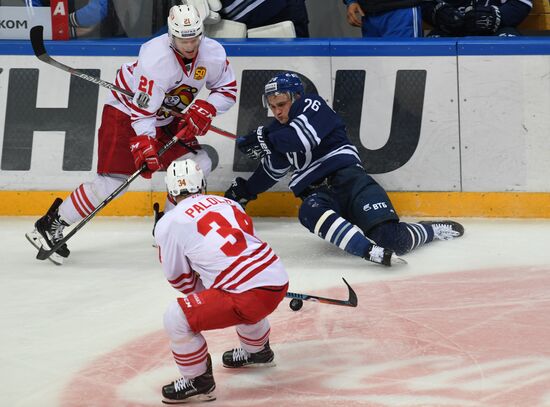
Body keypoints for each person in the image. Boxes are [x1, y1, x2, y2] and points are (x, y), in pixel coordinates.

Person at [25, 4, 237, 265]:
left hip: (167, 116)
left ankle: (169, 228)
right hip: (127, 115)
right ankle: (52, 223)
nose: (190, 44)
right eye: (184, 39)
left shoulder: (213, 54)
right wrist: (145, 144)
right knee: (113, 182)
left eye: (194, 37)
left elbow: (227, 90)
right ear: (172, 35)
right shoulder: (155, 58)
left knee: (197, 164)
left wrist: (208, 106)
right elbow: (142, 113)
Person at [224, 72, 464, 267]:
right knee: (309, 210)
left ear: (297, 97)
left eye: (282, 104)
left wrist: (263, 136)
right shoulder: (278, 131)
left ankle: (429, 230)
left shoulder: (311, 105)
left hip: (352, 183)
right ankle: (369, 251)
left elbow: (298, 140)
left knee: (394, 241)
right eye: (273, 106)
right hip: (321, 196)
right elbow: (272, 170)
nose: (277, 112)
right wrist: (244, 191)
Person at [155, 159, 289, 403]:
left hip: (247, 296)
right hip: (276, 277)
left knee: (176, 317)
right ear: (202, 185)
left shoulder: (168, 223)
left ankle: (198, 381)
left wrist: (205, 289)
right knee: (236, 289)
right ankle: (257, 351)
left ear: (170, 193)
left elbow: (180, 278)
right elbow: (248, 243)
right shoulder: (230, 203)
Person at [421, 0, 532, 37]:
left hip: (495, 30)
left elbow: (520, 4)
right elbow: (426, 4)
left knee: (510, 42)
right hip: (450, 30)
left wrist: (495, 17)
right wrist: (439, 13)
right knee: (430, 48)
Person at [343, 0, 423, 37]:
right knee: (373, 66)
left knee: (403, 63)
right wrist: (351, 1)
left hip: (400, 12)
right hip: (369, 14)